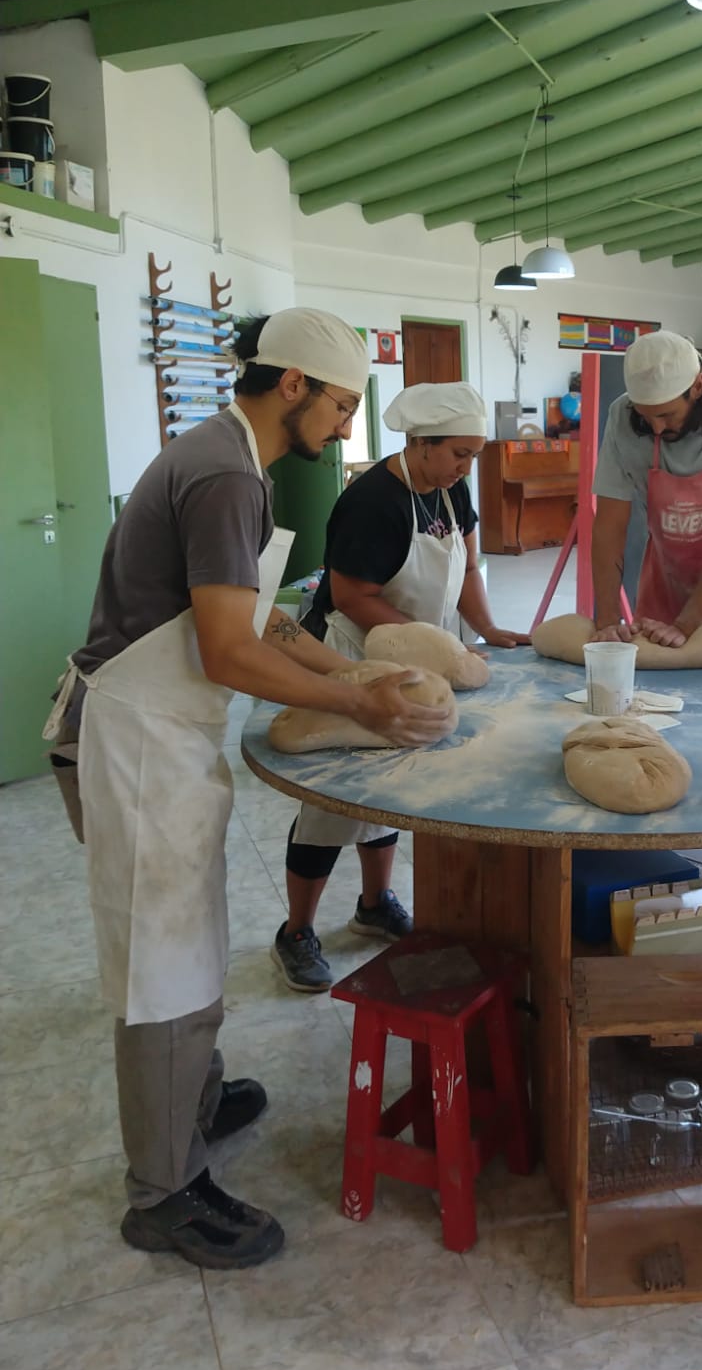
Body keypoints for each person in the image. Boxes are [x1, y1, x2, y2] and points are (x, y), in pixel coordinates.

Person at [43, 309, 453, 1270]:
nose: (346, 428)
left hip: (164, 729)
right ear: (294, 384)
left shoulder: (232, 459)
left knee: (191, 932)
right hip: (136, 735)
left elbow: (258, 620)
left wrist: (352, 674)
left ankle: (193, 1096)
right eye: (342, 405)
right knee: (161, 958)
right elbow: (229, 653)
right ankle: (164, 1191)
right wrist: (360, 708)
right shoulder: (226, 473)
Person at [273, 380, 529, 993]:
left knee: (396, 783)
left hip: (422, 653)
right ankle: (297, 931)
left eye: (474, 455)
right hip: (353, 654)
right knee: (332, 803)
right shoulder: (373, 501)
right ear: (420, 443)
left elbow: (468, 564)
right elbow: (351, 596)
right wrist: (432, 646)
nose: (467, 468)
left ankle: (374, 904)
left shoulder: (449, 488)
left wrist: (487, 628)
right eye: (460, 454)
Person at [591, 330, 702, 646]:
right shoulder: (621, 416)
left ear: (698, 386)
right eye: (645, 416)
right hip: (664, 581)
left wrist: (686, 624)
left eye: (666, 414)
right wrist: (607, 620)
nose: (656, 428)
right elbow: (609, 525)